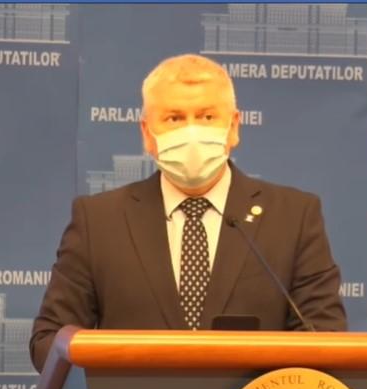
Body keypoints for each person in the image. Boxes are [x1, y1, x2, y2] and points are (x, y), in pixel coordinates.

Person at [30, 54, 346, 372]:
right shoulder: (98, 221)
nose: (191, 132)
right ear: (147, 133)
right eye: (174, 119)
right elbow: (50, 343)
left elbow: (324, 337)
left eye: (207, 116)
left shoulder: (294, 216)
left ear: (234, 127)